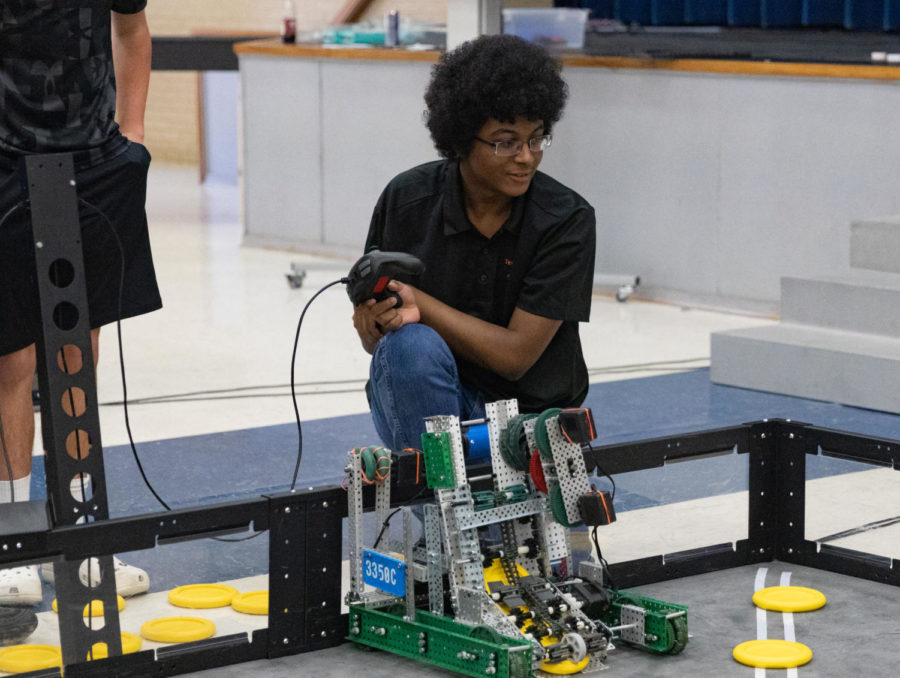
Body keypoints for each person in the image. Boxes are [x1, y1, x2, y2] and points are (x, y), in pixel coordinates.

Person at [352, 34, 595, 453]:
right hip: (431, 403)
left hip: (529, 420)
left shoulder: (566, 218)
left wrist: (418, 302)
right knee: (408, 346)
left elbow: (515, 357)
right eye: (506, 142)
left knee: (414, 342)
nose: (526, 157)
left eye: (536, 138)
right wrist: (372, 326)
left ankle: (443, 496)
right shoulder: (406, 200)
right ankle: (444, 508)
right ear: (462, 139)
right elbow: (381, 344)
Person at [0, 1, 161, 606]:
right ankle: (13, 543)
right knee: (9, 361)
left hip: (92, 163)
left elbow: (131, 28)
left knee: (75, 358)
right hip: (5, 163)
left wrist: (135, 133)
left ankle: (83, 536)